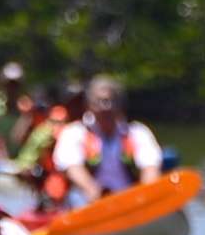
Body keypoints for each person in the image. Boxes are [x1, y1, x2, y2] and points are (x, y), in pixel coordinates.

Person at [50, 76, 165, 204]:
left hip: (131, 202)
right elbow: (72, 168)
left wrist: (146, 196)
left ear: (120, 104)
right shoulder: (74, 133)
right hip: (89, 205)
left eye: (112, 101)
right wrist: (94, 192)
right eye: (100, 101)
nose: (106, 107)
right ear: (88, 104)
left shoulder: (138, 132)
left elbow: (150, 168)